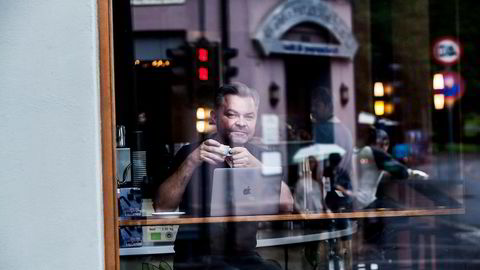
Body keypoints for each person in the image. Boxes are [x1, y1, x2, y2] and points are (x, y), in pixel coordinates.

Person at [154, 82, 293, 270]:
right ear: (214, 117)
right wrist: (192, 161)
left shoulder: (259, 156)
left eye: (249, 116)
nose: (241, 123)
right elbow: (162, 207)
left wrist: (257, 166)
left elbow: (287, 205)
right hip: (196, 260)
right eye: (231, 114)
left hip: (244, 258)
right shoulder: (190, 152)